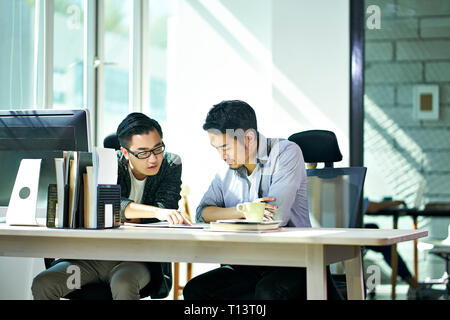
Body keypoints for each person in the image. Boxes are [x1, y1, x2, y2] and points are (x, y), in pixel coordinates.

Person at [183, 100, 341, 300]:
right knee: (195, 291)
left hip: (294, 263)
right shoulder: (226, 170)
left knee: (267, 293)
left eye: (225, 147)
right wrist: (243, 210)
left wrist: (223, 215)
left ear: (248, 138)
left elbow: (273, 217)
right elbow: (202, 213)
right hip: (247, 263)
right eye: (216, 149)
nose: (222, 156)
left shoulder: (286, 152)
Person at [31, 112, 191, 300]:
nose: (153, 159)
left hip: (137, 259)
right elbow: (111, 204)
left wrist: (141, 212)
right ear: (125, 152)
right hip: (89, 261)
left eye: (158, 149)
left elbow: (166, 205)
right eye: (143, 152)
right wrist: (156, 211)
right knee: (45, 284)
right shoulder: (108, 163)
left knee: (123, 283)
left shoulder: (170, 163)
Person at [363, 199, 425, 299]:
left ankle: (412, 282)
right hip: (347, 233)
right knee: (386, 246)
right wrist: (392, 203)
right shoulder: (348, 188)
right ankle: (412, 283)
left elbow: (366, 206)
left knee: (374, 228)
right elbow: (370, 207)